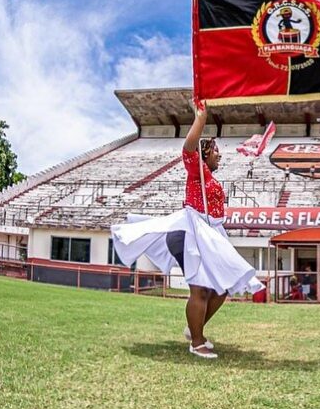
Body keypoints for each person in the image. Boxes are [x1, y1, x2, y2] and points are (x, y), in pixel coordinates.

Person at [111, 103, 263, 359]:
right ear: (204, 154)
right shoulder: (198, 170)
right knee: (201, 289)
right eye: (215, 150)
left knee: (222, 289)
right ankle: (196, 341)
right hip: (189, 232)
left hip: (210, 234)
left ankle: (195, 328)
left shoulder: (210, 179)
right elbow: (188, 150)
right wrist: (200, 120)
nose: (220, 155)